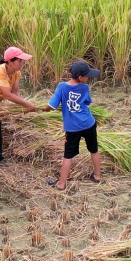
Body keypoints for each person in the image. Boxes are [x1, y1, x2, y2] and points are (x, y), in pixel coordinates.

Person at [40, 61, 102, 190]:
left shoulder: (62, 87)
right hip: (88, 123)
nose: (88, 78)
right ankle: (97, 176)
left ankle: (61, 184)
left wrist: (44, 109)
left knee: (68, 155)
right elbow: (88, 102)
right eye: (87, 76)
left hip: (72, 128)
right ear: (80, 77)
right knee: (93, 149)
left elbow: (52, 105)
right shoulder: (84, 88)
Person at [0, 47, 37, 164]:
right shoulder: (0, 72)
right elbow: (7, 95)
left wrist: (24, 107)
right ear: (10, 62)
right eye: (20, 61)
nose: (22, 64)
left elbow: (15, 92)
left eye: (22, 61)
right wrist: (27, 104)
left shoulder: (16, 73)